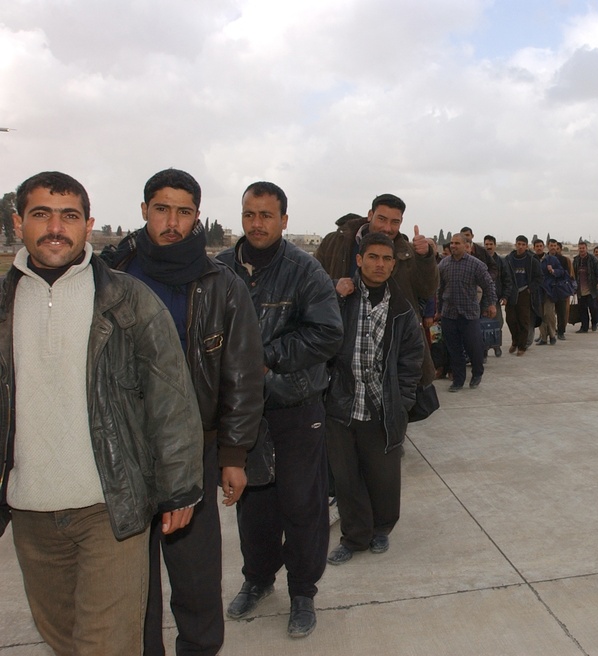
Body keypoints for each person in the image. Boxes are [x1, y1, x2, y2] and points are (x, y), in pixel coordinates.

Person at [1, 171, 204, 655]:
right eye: (41, 214)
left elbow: (171, 400)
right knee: (63, 639)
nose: (56, 227)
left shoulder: (128, 301)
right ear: (18, 223)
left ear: (87, 225)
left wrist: (180, 488)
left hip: (110, 507)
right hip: (30, 511)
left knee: (108, 646)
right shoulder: (4, 306)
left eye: (69, 216)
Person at [103, 169, 265, 656]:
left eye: (184, 211)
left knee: (195, 577)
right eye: (161, 209)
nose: (171, 221)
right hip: (122, 449)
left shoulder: (223, 285)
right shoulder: (107, 276)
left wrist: (233, 454)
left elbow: (242, 373)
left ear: (197, 216)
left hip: (194, 448)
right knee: (134, 580)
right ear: (144, 210)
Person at [218, 181, 343, 639]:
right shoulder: (219, 270)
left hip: (296, 406)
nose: (256, 223)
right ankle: (258, 579)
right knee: (253, 504)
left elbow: (328, 334)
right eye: (249, 214)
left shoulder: (305, 271)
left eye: (266, 215)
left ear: (284, 219)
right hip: (242, 414)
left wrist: (268, 356)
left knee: (302, 504)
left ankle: (303, 591)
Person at [326, 232, 425, 566]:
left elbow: (412, 358)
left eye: (386, 259)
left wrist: (403, 400)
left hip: (383, 407)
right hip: (341, 404)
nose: (379, 265)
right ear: (359, 259)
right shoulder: (342, 297)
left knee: (383, 475)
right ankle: (354, 536)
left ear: (393, 264)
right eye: (373, 257)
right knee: (346, 477)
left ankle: (382, 528)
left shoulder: (401, 309)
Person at [313, 193, 438, 384]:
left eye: (394, 222)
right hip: (341, 348)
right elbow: (310, 285)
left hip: (390, 352)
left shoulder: (408, 252)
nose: (387, 228)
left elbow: (428, 290)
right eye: (382, 219)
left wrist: (426, 258)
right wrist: (333, 285)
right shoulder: (335, 243)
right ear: (370, 214)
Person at [437, 233, 496, 391]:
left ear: (466, 245)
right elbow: (438, 289)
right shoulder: (443, 265)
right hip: (449, 313)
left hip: (469, 314)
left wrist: (491, 304)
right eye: (452, 243)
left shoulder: (476, 265)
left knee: (474, 346)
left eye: (457, 243)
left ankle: (477, 373)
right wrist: (438, 310)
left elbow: (488, 285)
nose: (453, 246)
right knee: (454, 349)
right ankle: (458, 380)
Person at [502, 236, 542, 353]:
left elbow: (539, 278)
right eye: (518, 244)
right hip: (511, 293)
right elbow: (504, 276)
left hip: (525, 293)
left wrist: (530, 289)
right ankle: (515, 340)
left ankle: (522, 346)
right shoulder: (508, 259)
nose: (520, 247)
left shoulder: (531, 260)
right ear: (515, 245)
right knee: (511, 319)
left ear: (526, 246)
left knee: (524, 320)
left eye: (523, 244)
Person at [572, 242, 598, 332]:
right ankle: (584, 327)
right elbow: (573, 273)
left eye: (583, 248)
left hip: (591, 289)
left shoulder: (592, 259)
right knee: (582, 310)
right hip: (580, 289)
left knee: (594, 308)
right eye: (580, 248)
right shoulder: (576, 260)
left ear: (586, 248)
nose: (581, 250)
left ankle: (594, 322)